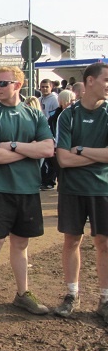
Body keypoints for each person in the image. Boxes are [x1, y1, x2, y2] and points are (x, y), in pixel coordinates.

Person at [0, 66, 54, 323]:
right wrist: (30, 150)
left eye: (3, 83)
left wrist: (12, 145)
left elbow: (48, 149)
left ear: (18, 85)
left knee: (21, 244)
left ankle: (22, 294)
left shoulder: (34, 114)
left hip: (28, 188)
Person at [53, 63, 108, 320]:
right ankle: (72, 294)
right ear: (90, 81)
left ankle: (104, 299)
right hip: (72, 188)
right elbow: (63, 159)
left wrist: (82, 150)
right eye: (106, 80)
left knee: (104, 243)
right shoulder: (68, 115)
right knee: (72, 240)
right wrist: (99, 156)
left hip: (103, 188)